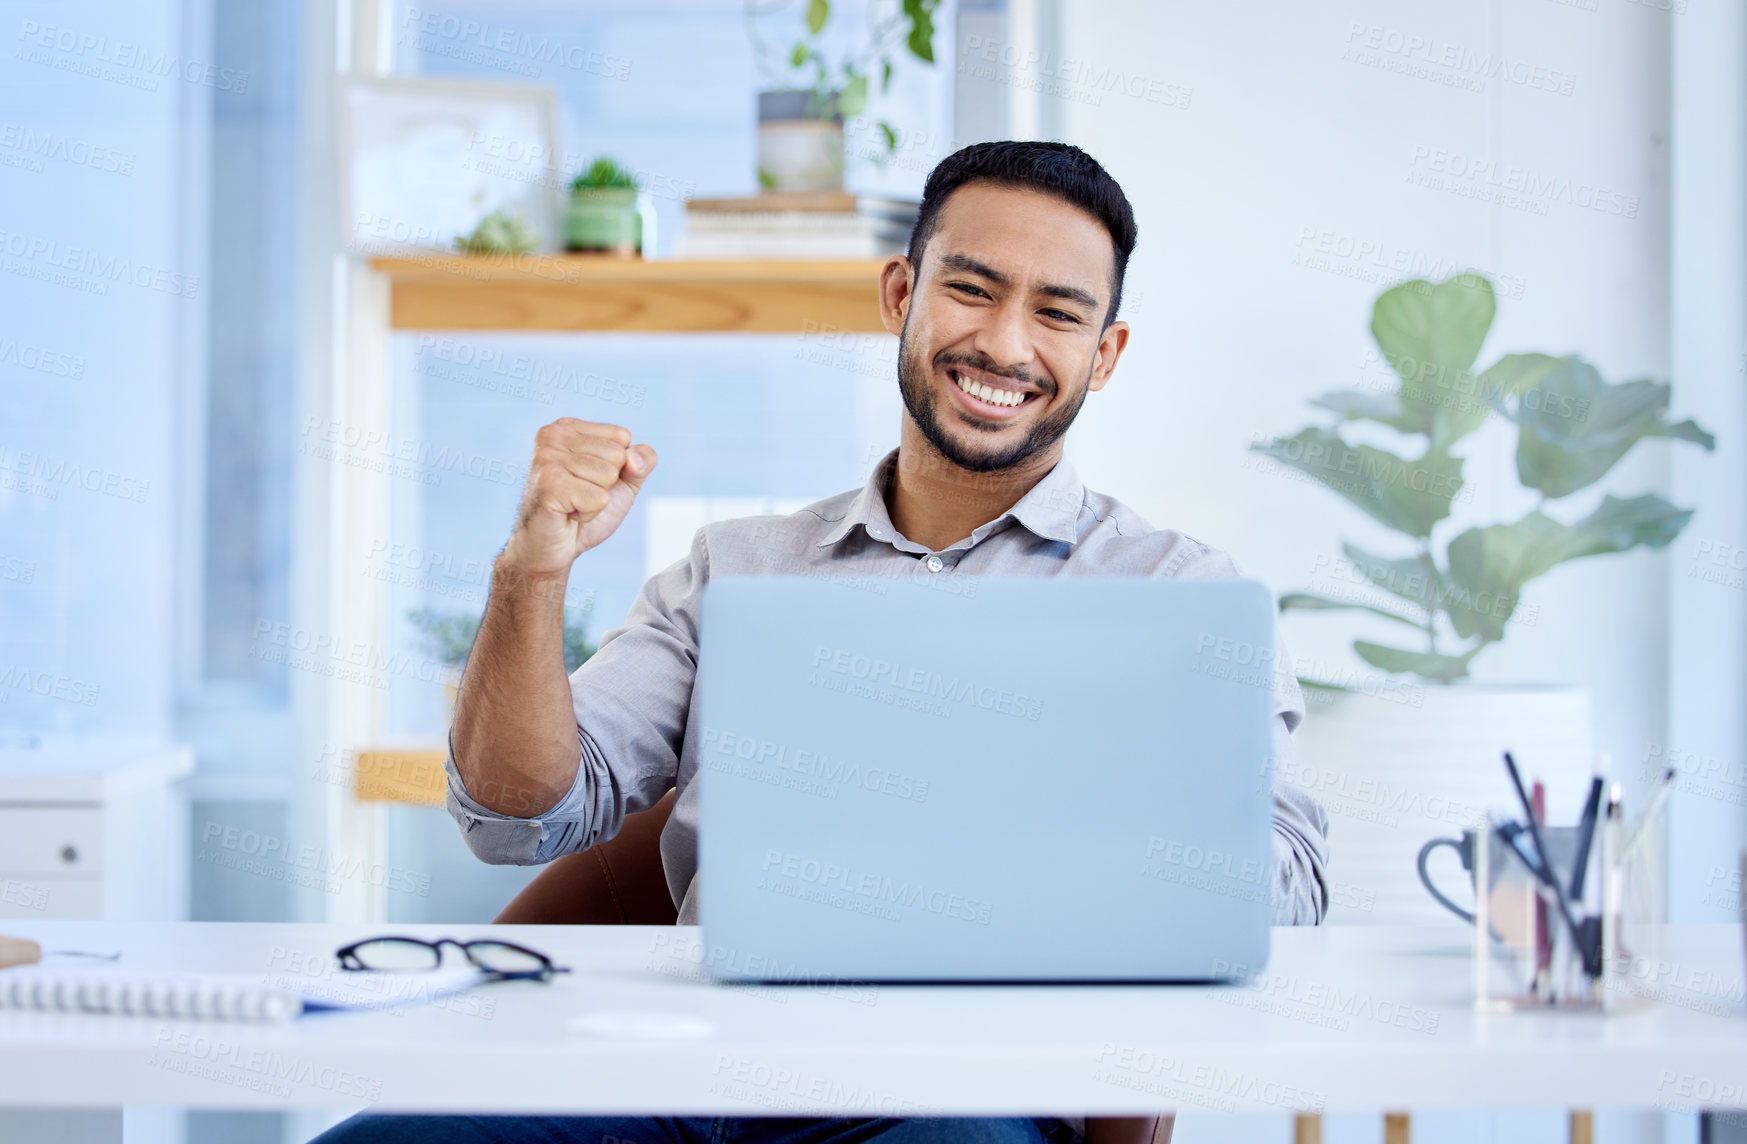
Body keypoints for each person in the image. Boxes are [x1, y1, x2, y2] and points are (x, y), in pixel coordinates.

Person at [315, 140, 1329, 1144]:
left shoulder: (1175, 592)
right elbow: (511, 816)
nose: (1007, 346)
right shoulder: (737, 566)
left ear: (1101, 356)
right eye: (971, 290)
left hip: (961, 1098)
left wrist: (1079, 825)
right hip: (681, 1076)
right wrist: (531, 572)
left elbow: (1289, 885)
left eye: (1057, 313)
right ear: (899, 295)